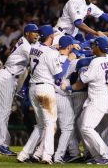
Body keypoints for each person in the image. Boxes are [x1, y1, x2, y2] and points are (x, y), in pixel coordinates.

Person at [17, 25, 76, 164]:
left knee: (41, 125)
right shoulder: (51, 53)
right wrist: (68, 59)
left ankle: (24, 154)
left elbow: (45, 50)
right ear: (51, 36)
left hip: (33, 89)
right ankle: (47, 156)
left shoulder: (34, 48)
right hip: (45, 89)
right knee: (50, 124)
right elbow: (59, 75)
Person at [61, 36, 108, 164]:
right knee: (89, 126)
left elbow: (80, 84)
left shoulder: (95, 62)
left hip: (98, 99)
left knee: (86, 127)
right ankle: (98, 156)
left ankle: (107, 155)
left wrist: (68, 87)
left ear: (98, 47)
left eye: (94, 45)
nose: (92, 47)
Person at [0, 24, 39, 156]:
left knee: (5, 111)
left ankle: (1, 143)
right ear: (26, 33)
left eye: (37, 32)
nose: (36, 34)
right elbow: (37, 57)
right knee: (3, 111)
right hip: (7, 76)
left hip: (11, 78)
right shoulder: (25, 45)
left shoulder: (25, 42)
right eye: (33, 32)